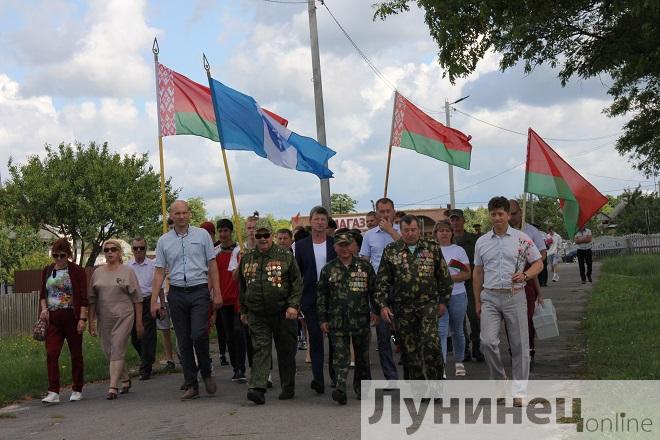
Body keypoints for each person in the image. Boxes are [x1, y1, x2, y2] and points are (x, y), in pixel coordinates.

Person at [473, 197, 543, 405]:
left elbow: (538, 263)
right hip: (490, 297)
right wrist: (477, 301)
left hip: (515, 295)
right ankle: (500, 380)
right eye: (493, 214)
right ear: (489, 215)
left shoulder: (521, 239)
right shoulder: (482, 241)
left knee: (520, 345)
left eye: (501, 214)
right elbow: (477, 272)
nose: (497, 218)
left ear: (507, 215)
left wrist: (526, 275)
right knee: (487, 342)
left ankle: (520, 390)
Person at [150, 200, 221, 401]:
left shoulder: (202, 235)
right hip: (177, 292)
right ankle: (191, 384)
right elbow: (158, 272)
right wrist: (153, 300)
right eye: (177, 213)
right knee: (183, 340)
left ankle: (206, 372)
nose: (181, 216)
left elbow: (212, 264)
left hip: (199, 290)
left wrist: (217, 291)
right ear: (171, 216)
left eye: (184, 213)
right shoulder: (164, 241)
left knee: (198, 334)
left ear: (189, 214)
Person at [375, 215, 452, 381]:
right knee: (410, 349)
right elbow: (382, 281)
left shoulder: (432, 248)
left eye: (413, 230)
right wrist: (383, 305)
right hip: (402, 308)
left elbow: (444, 277)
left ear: (419, 230)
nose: (410, 234)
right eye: (406, 230)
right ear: (400, 231)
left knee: (431, 344)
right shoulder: (391, 250)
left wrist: (444, 301)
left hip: (428, 305)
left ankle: (436, 383)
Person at [239, 218, 302, 405]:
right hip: (257, 314)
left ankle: (288, 386)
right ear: (254, 236)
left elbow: (297, 283)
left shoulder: (285, 256)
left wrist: (293, 305)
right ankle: (257, 388)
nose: (263, 238)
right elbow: (243, 287)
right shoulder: (247, 258)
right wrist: (244, 310)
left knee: (286, 351)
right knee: (260, 349)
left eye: (266, 235)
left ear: (272, 235)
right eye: (259, 235)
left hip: (283, 312)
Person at [317, 231, 376, 405]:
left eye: (347, 245)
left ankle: (362, 388)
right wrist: (322, 319)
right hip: (337, 321)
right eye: (340, 245)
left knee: (362, 357)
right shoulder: (328, 269)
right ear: (335, 247)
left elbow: (375, 291)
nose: (344, 249)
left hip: (361, 319)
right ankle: (340, 388)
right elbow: (321, 297)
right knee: (340, 356)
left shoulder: (364, 267)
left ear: (353, 246)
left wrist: (377, 311)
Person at [88, 239, 143, 400]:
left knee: (117, 347)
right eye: (106, 250)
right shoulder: (98, 272)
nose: (109, 252)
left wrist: (139, 322)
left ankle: (113, 387)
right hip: (104, 317)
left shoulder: (128, 271)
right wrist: (90, 321)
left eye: (113, 249)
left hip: (124, 316)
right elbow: (91, 299)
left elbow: (138, 299)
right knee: (109, 352)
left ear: (119, 253)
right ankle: (125, 378)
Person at [39, 238, 88, 404]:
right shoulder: (47, 270)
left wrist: (82, 319)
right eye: (55, 255)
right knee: (51, 353)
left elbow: (83, 298)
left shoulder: (77, 271)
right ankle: (53, 391)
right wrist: (44, 310)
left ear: (68, 254)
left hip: (71, 316)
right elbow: (42, 295)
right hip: (53, 317)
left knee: (76, 353)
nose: (59, 259)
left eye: (62, 255)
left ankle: (77, 388)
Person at [294, 205, 337, 394]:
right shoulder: (301, 245)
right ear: (310, 221)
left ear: (327, 222)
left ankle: (336, 377)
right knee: (316, 338)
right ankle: (318, 379)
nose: (320, 222)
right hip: (310, 299)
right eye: (316, 219)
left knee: (336, 340)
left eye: (323, 219)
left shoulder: (334, 243)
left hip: (333, 298)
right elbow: (297, 275)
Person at [359, 197, 401, 381]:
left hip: (401, 290)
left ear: (393, 212)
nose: (385, 214)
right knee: (383, 338)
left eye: (388, 211)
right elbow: (365, 263)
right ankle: (391, 378)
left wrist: (391, 231)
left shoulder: (402, 231)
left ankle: (412, 375)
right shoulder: (369, 236)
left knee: (405, 336)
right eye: (381, 211)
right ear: (376, 213)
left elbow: (408, 249)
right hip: (379, 292)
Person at [508, 199, 547, 361]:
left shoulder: (531, 231)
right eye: (507, 213)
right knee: (511, 321)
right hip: (507, 282)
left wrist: (531, 264)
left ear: (521, 212)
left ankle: (529, 350)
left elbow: (543, 253)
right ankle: (515, 350)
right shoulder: (501, 232)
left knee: (528, 319)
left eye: (514, 213)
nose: (511, 217)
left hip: (528, 278)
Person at [434, 220, 471, 376]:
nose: (444, 233)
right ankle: (441, 365)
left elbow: (467, 273)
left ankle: (459, 361)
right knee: (441, 331)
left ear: (452, 233)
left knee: (457, 330)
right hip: (438, 297)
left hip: (457, 295)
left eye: (447, 230)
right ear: (435, 233)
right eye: (440, 230)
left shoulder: (459, 251)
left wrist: (448, 278)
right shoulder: (431, 250)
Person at [448, 208, 484, 362]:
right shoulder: (447, 240)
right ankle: (465, 349)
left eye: (457, 219)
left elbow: (481, 261)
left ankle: (477, 345)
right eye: (452, 220)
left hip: (471, 283)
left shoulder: (474, 240)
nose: (455, 222)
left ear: (463, 221)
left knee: (474, 316)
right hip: (455, 284)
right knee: (458, 319)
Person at [215, 218, 247, 383]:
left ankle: (241, 366)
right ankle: (236, 367)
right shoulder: (215, 252)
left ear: (231, 232)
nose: (223, 234)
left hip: (238, 298)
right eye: (220, 231)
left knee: (238, 332)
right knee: (228, 335)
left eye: (226, 231)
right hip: (222, 299)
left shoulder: (240, 251)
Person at [128, 237, 162, 381]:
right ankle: (148, 358)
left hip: (149, 300)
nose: (139, 251)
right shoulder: (128, 267)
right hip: (133, 302)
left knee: (148, 335)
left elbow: (158, 286)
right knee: (135, 337)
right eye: (136, 248)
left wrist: (161, 304)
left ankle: (145, 368)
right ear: (132, 250)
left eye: (141, 248)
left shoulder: (153, 265)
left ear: (145, 248)